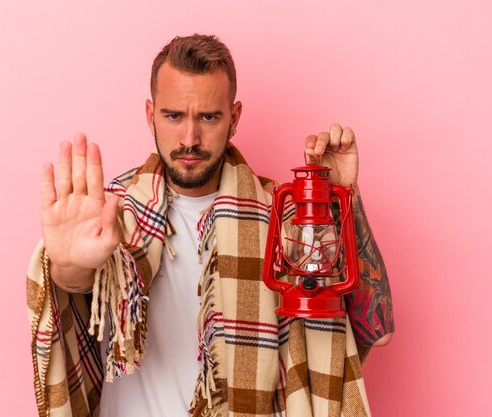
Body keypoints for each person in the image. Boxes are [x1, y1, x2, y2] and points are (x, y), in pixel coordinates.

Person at [27, 34, 394, 417]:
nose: (190, 138)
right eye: (173, 116)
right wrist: (68, 268)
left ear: (233, 118)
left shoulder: (283, 218)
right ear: (149, 114)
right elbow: (75, 293)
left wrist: (344, 198)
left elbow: (376, 331)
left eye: (208, 117)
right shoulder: (110, 215)